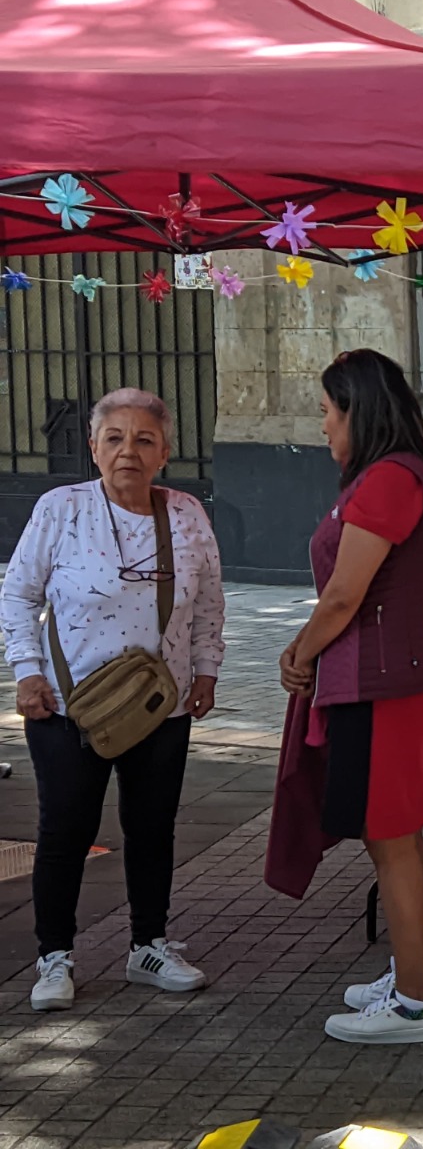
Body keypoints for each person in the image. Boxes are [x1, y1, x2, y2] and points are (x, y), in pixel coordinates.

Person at [1, 388, 225, 1012]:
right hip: (68, 705)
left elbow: (208, 601)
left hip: (161, 704)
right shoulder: (61, 509)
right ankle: (54, 956)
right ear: (95, 448)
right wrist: (25, 671)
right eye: (115, 438)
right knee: (64, 829)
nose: (129, 450)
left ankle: (149, 945)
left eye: (144, 439)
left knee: (152, 827)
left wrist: (206, 670)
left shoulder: (185, 515)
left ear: (165, 452)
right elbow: (18, 593)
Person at [279, 350, 423, 1045]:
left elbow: (346, 593)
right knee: (397, 838)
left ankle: (414, 1003)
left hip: (385, 685)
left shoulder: (386, 480)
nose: (321, 426)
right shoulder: (401, 475)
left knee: (392, 839)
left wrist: (299, 651)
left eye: (327, 410)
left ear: (358, 411)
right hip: (393, 680)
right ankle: (416, 975)